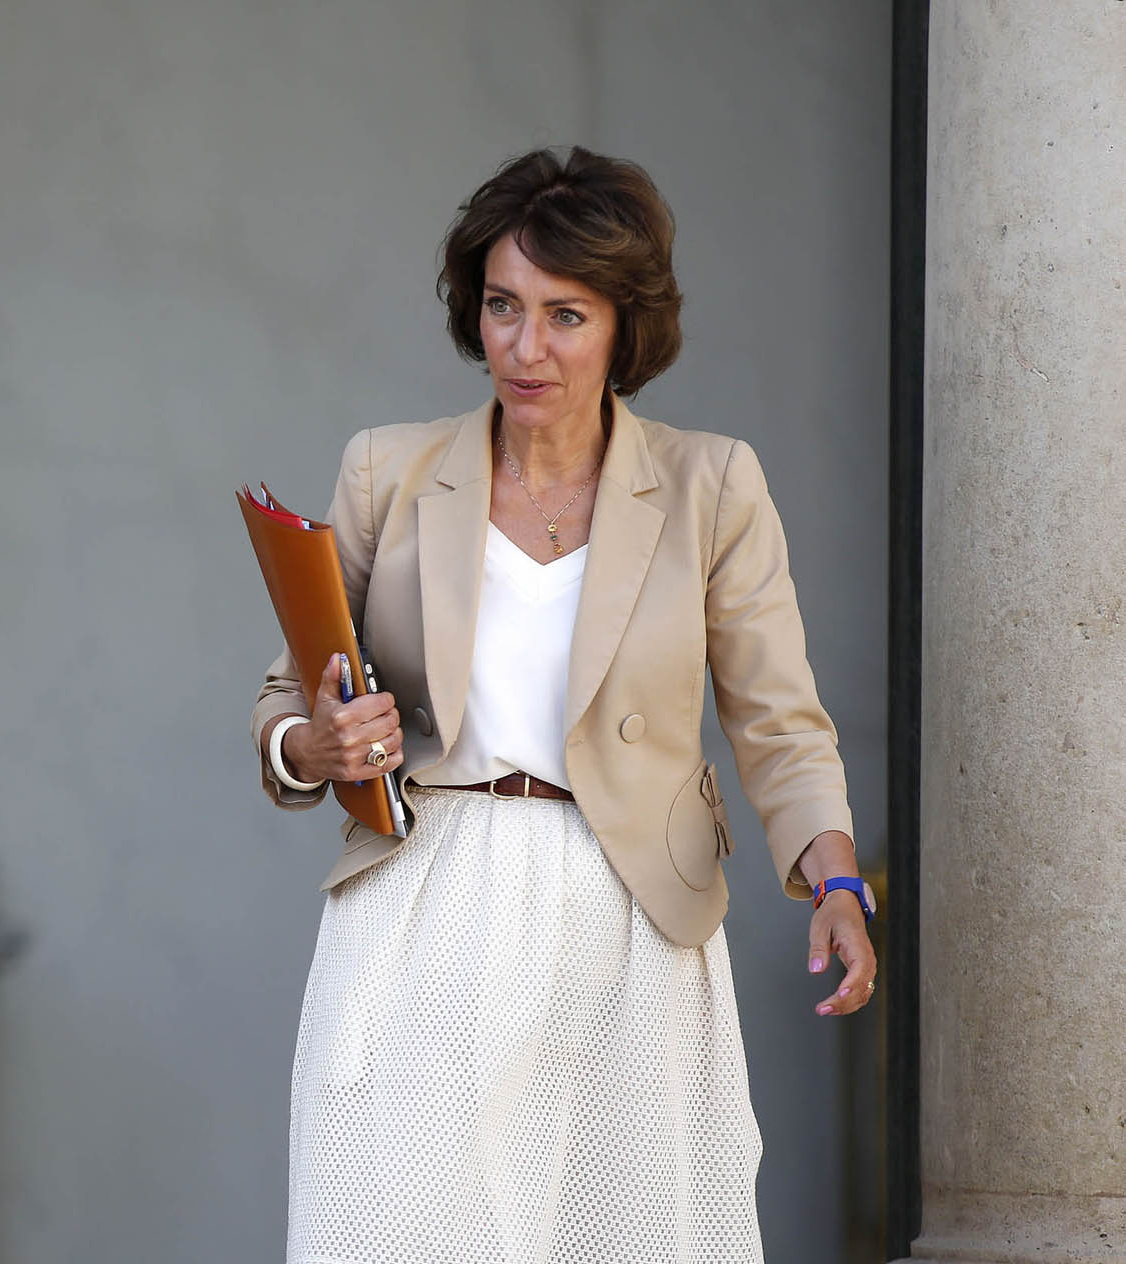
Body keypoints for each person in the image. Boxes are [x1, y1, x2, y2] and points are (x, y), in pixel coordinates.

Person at [250, 147, 876, 1264]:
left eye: (564, 315)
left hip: (630, 909)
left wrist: (832, 879)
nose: (524, 347)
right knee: (393, 1230)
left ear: (625, 325)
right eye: (502, 306)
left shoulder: (712, 485)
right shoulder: (387, 471)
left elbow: (779, 719)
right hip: (422, 905)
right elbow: (290, 693)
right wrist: (317, 744)